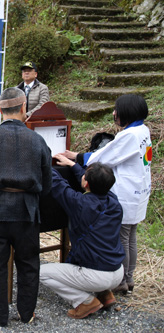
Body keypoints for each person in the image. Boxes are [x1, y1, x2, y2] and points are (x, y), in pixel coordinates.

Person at [0, 87, 52, 327]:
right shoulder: (38, 140)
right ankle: (27, 314)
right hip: (27, 211)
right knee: (28, 264)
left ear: (1, 110)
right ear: (23, 108)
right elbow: (47, 184)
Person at [60, 94, 152, 295]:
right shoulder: (142, 129)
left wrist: (76, 158)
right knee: (131, 235)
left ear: (127, 112)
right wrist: (77, 156)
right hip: (139, 190)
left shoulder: (129, 135)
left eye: (116, 110)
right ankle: (129, 278)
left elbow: (105, 157)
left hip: (127, 191)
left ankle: (122, 281)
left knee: (123, 237)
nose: (114, 113)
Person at [41, 158, 125, 319]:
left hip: (97, 275)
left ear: (86, 183)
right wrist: (73, 165)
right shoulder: (113, 201)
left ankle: (84, 301)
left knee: (41, 272)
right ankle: (105, 295)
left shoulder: (79, 203)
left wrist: (44, 158)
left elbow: (57, 184)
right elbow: (92, 181)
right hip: (117, 271)